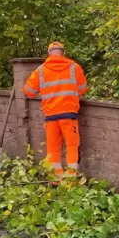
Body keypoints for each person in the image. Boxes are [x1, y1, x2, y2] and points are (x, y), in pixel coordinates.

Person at [23, 42, 88, 178]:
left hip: (51, 115)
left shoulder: (40, 70)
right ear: (63, 53)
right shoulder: (74, 67)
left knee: (53, 149)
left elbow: (28, 91)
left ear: (49, 54)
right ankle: (71, 180)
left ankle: (55, 179)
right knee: (71, 146)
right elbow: (83, 90)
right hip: (69, 115)